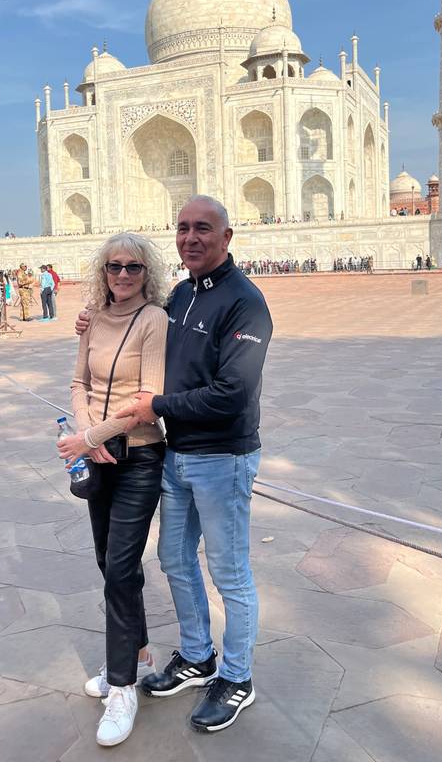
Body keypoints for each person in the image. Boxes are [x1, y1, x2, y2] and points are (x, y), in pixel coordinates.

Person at [107, 197, 273, 733]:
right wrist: (95, 315)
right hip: (179, 455)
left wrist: (156, 407)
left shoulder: (245, 303)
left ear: (228, 237)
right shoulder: (182, 294)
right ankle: (198, 656)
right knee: (174, 558)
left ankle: (238, 676)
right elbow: (139, 327)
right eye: (182, 228)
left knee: (228, 570)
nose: (191, 237)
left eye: (203, 228)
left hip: (223, 456)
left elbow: (231, 393)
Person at [58, 233, 169, 747]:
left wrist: (88, 438)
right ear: (102, 270)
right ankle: (134, 644)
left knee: (122, 566)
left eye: (133, 267)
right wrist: (86, 438)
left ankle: (122, 685)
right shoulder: (91, 318)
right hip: (98, 455)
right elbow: (79, 382)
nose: (123, 275)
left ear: (148, 272)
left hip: (139, 455)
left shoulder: (153, 320)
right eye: (114, 266)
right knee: (108, 562)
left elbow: (146, 400)